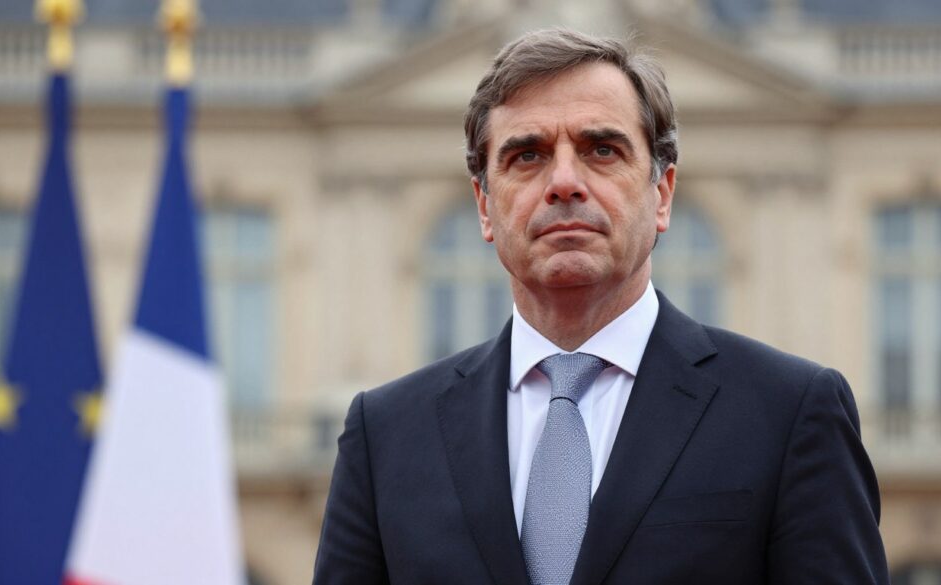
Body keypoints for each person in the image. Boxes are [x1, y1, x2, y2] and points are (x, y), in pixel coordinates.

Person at [313, 28, 889, 584]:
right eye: (527, 155)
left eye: (602, 150)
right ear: (484, 207)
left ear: (661, 194)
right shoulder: (384, 436)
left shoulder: (789, 413)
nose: (565, 182)